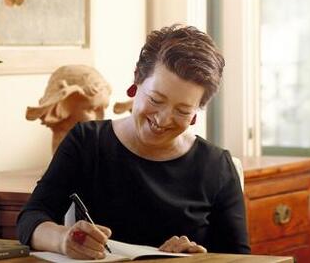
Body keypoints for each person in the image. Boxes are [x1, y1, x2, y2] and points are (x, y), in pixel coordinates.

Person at [16, 24, 250, 259]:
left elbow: (241, 258)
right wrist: (64, 240)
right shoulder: (87, 142)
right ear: (136, 80)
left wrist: (200, 257)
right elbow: (31, 219)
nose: (162, 119)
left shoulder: (217, 166)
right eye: (156, 99)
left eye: (182, 110)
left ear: (196, 112)